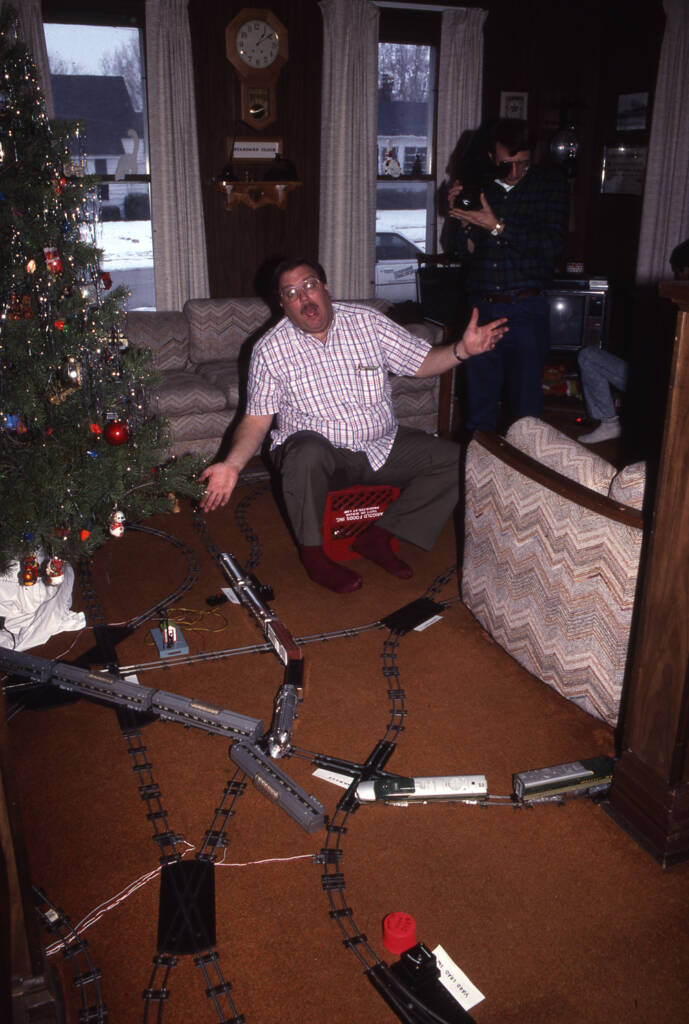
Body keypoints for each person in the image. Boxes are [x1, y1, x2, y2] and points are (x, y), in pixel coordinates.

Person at [199, 258, 507, 594]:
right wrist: (233, 464)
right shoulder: (270, 350)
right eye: (291, 293)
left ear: (325, 287)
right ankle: (314, 556)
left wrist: (462, 350)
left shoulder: (367, 322)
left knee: (460, 461)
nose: (304, 298)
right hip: (322, 454)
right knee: (304, 453)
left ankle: (380, 537)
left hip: (383, 445)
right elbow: (257, 418)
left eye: (309, 285)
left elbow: (420, 363)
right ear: (282, 305)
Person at [448, 118, 570, 432]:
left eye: (523, 164)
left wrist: (497, 227)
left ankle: (522, 480)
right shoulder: (478, 185)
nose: (515, 173)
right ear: (492, 156)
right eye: (507, 164)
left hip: (526, 310)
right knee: (479, 414)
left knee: (526, 418)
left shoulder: (550, 185)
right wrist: (463, 223)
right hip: (483, 309)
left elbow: (551, 246)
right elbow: (462, 252)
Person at [577, 237, 689, 444]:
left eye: (678, 271)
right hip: (651, 381)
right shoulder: (674, 302)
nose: (676, 277)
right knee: (588, 356)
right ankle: (610, 424)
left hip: (673, 391)